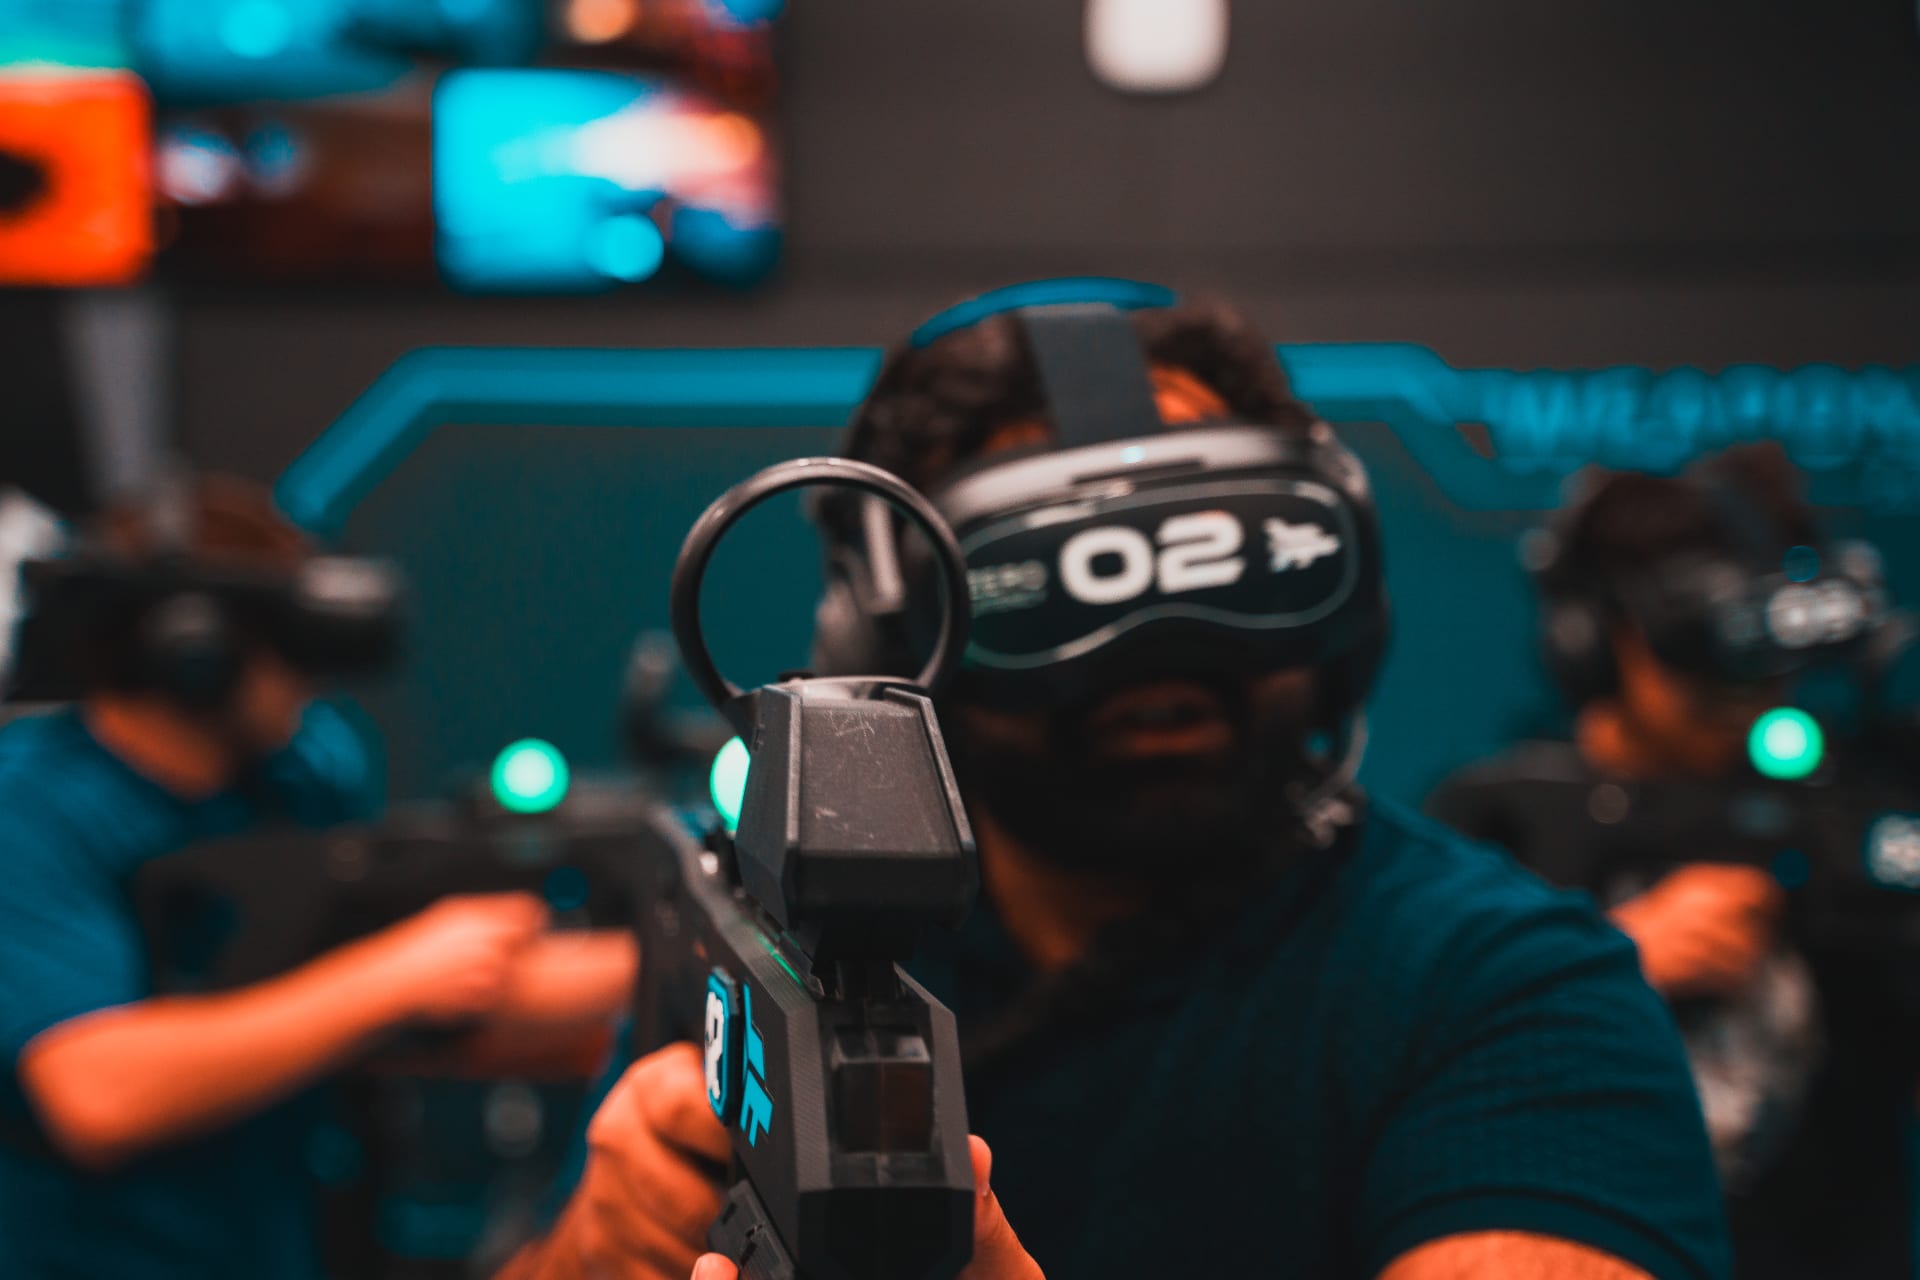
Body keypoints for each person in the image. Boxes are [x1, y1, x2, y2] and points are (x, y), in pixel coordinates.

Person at [503, 283, 1730, 1280]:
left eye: (1222, 570)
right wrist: (595, 1250)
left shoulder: (1505, 986)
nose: (1158, 660)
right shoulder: (773, 945)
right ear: (886, 639)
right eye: (1057, 591)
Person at [0, 475, 635, 1280]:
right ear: (194, 650)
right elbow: (97, 1095)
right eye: (288, 643)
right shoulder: (29, 806)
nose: (313, 678)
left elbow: (373, 1009)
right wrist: (394, 976)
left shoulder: (297, 775)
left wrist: (669, 960)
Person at [1429, 444, 1920, 1280]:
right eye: (1703, 657)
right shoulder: (1498, 828)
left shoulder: (1859, 812)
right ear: (1595, 639)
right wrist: (1613, 961)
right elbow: (1406, 1084)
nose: (1749, 697)